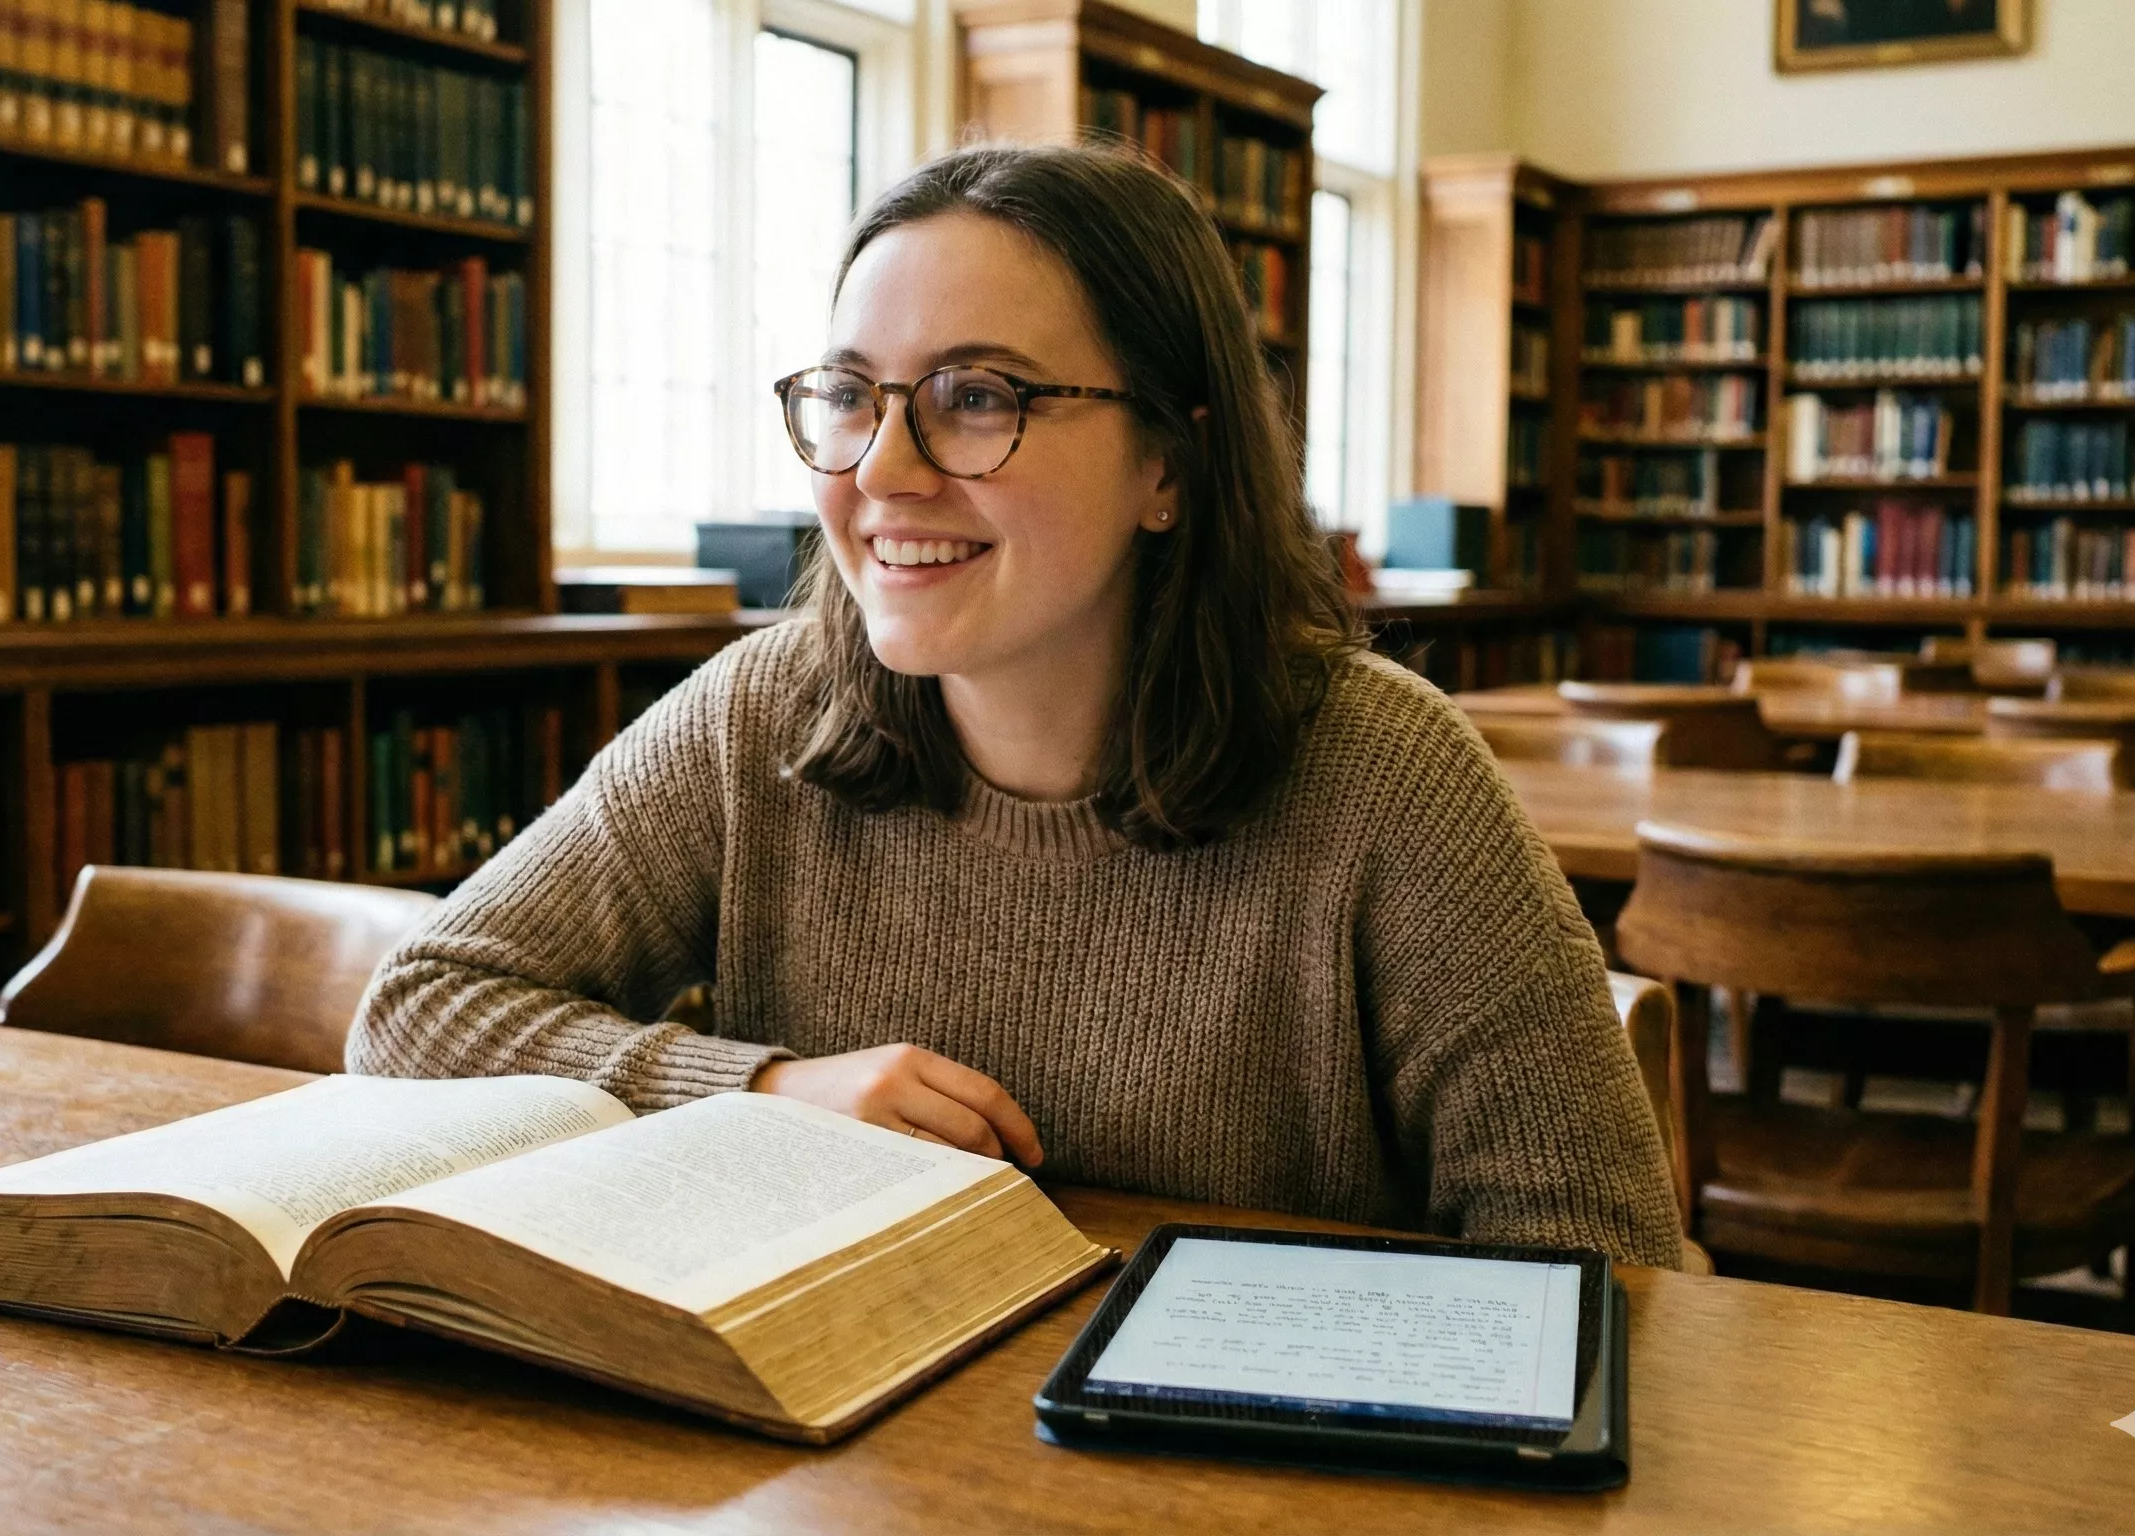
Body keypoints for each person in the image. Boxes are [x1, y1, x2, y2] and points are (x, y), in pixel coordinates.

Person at [351, 143, 1682, 1267]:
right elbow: (418, 1010)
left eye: (977, 399)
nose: (887, 470)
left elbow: (1602, 1261)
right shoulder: (765, 713)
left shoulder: (1385, 774)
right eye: (851, 398)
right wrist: (757, 1093)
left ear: (1171, 460)